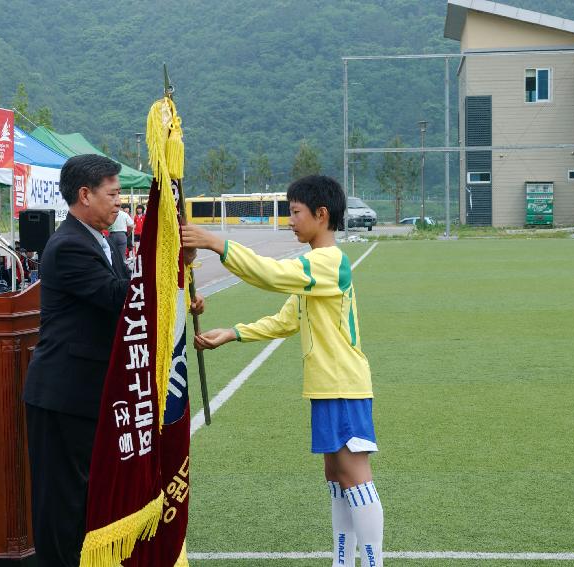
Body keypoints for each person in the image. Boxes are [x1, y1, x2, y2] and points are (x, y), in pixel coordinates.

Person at [181, 175, 384, 567]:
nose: (289, 221)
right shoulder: (315, 270)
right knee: (337, 476)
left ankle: (373, 563)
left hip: (343, 385)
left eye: (294, 213)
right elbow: (286, 320)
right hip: (327, 387)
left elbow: (271, 275)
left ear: (321, 215)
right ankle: (343, 561)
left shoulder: (329, 261)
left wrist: (213, 242)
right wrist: (234, 333)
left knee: (355, 476)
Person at [23, 154, 204, 566]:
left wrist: (175, 288)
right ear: (85, 195)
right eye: (114, 193)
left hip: (89, 394)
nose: (119, 202)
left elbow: (127, 292)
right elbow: (120, 298)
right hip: (63, 394)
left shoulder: (95, 238)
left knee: (86, 497)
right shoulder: (70, 244)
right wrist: (165, 265)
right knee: (63, 504)